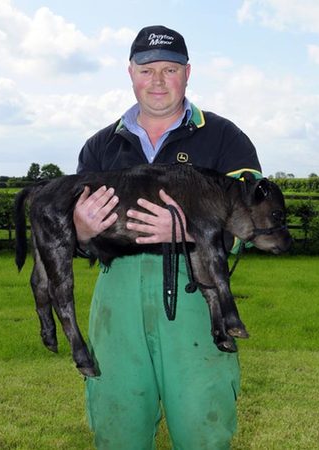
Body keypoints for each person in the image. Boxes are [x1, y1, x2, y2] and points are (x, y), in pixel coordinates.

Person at [73, 25, 262, 450]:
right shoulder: (100, 146)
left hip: (200, 297)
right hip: (115, 305)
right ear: (130, 73)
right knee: (117, 426)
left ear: (188, 73)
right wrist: (80, 231)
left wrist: (191, 232)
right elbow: (75, 239)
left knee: (203, 426)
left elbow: (250, 222)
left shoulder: (225, 138)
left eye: (170, 69)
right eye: (147, 69)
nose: (158, 80)